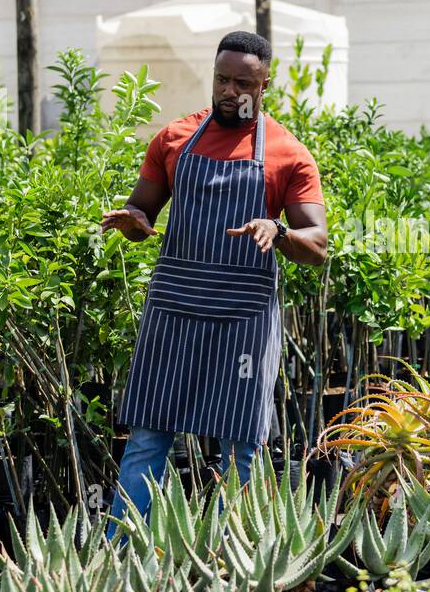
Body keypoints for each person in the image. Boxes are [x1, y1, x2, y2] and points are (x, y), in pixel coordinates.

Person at [100, 30, 327, 530]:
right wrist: (135, 222)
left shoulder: (289, 153)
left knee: (241, 444)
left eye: (242, 82)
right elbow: (144, 211)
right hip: (173, 309)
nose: (229, 91)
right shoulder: (175, 138)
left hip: (242, 317)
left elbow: (317, 245)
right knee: (148, 436)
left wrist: (278, 229)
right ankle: (122, 553)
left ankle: (230, 561)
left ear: (265, 83)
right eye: (221, 79)